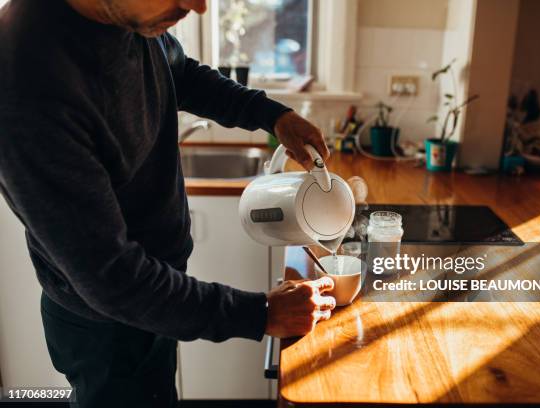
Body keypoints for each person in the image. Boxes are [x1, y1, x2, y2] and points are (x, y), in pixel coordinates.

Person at [0, 0, 336, 406]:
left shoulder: (130, 18)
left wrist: (272, 115)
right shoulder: (27, 81)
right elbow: (113, 279)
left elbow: (179, 73)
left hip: (153, 297)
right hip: (108, 327)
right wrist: (260, 313)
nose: (198, 6)